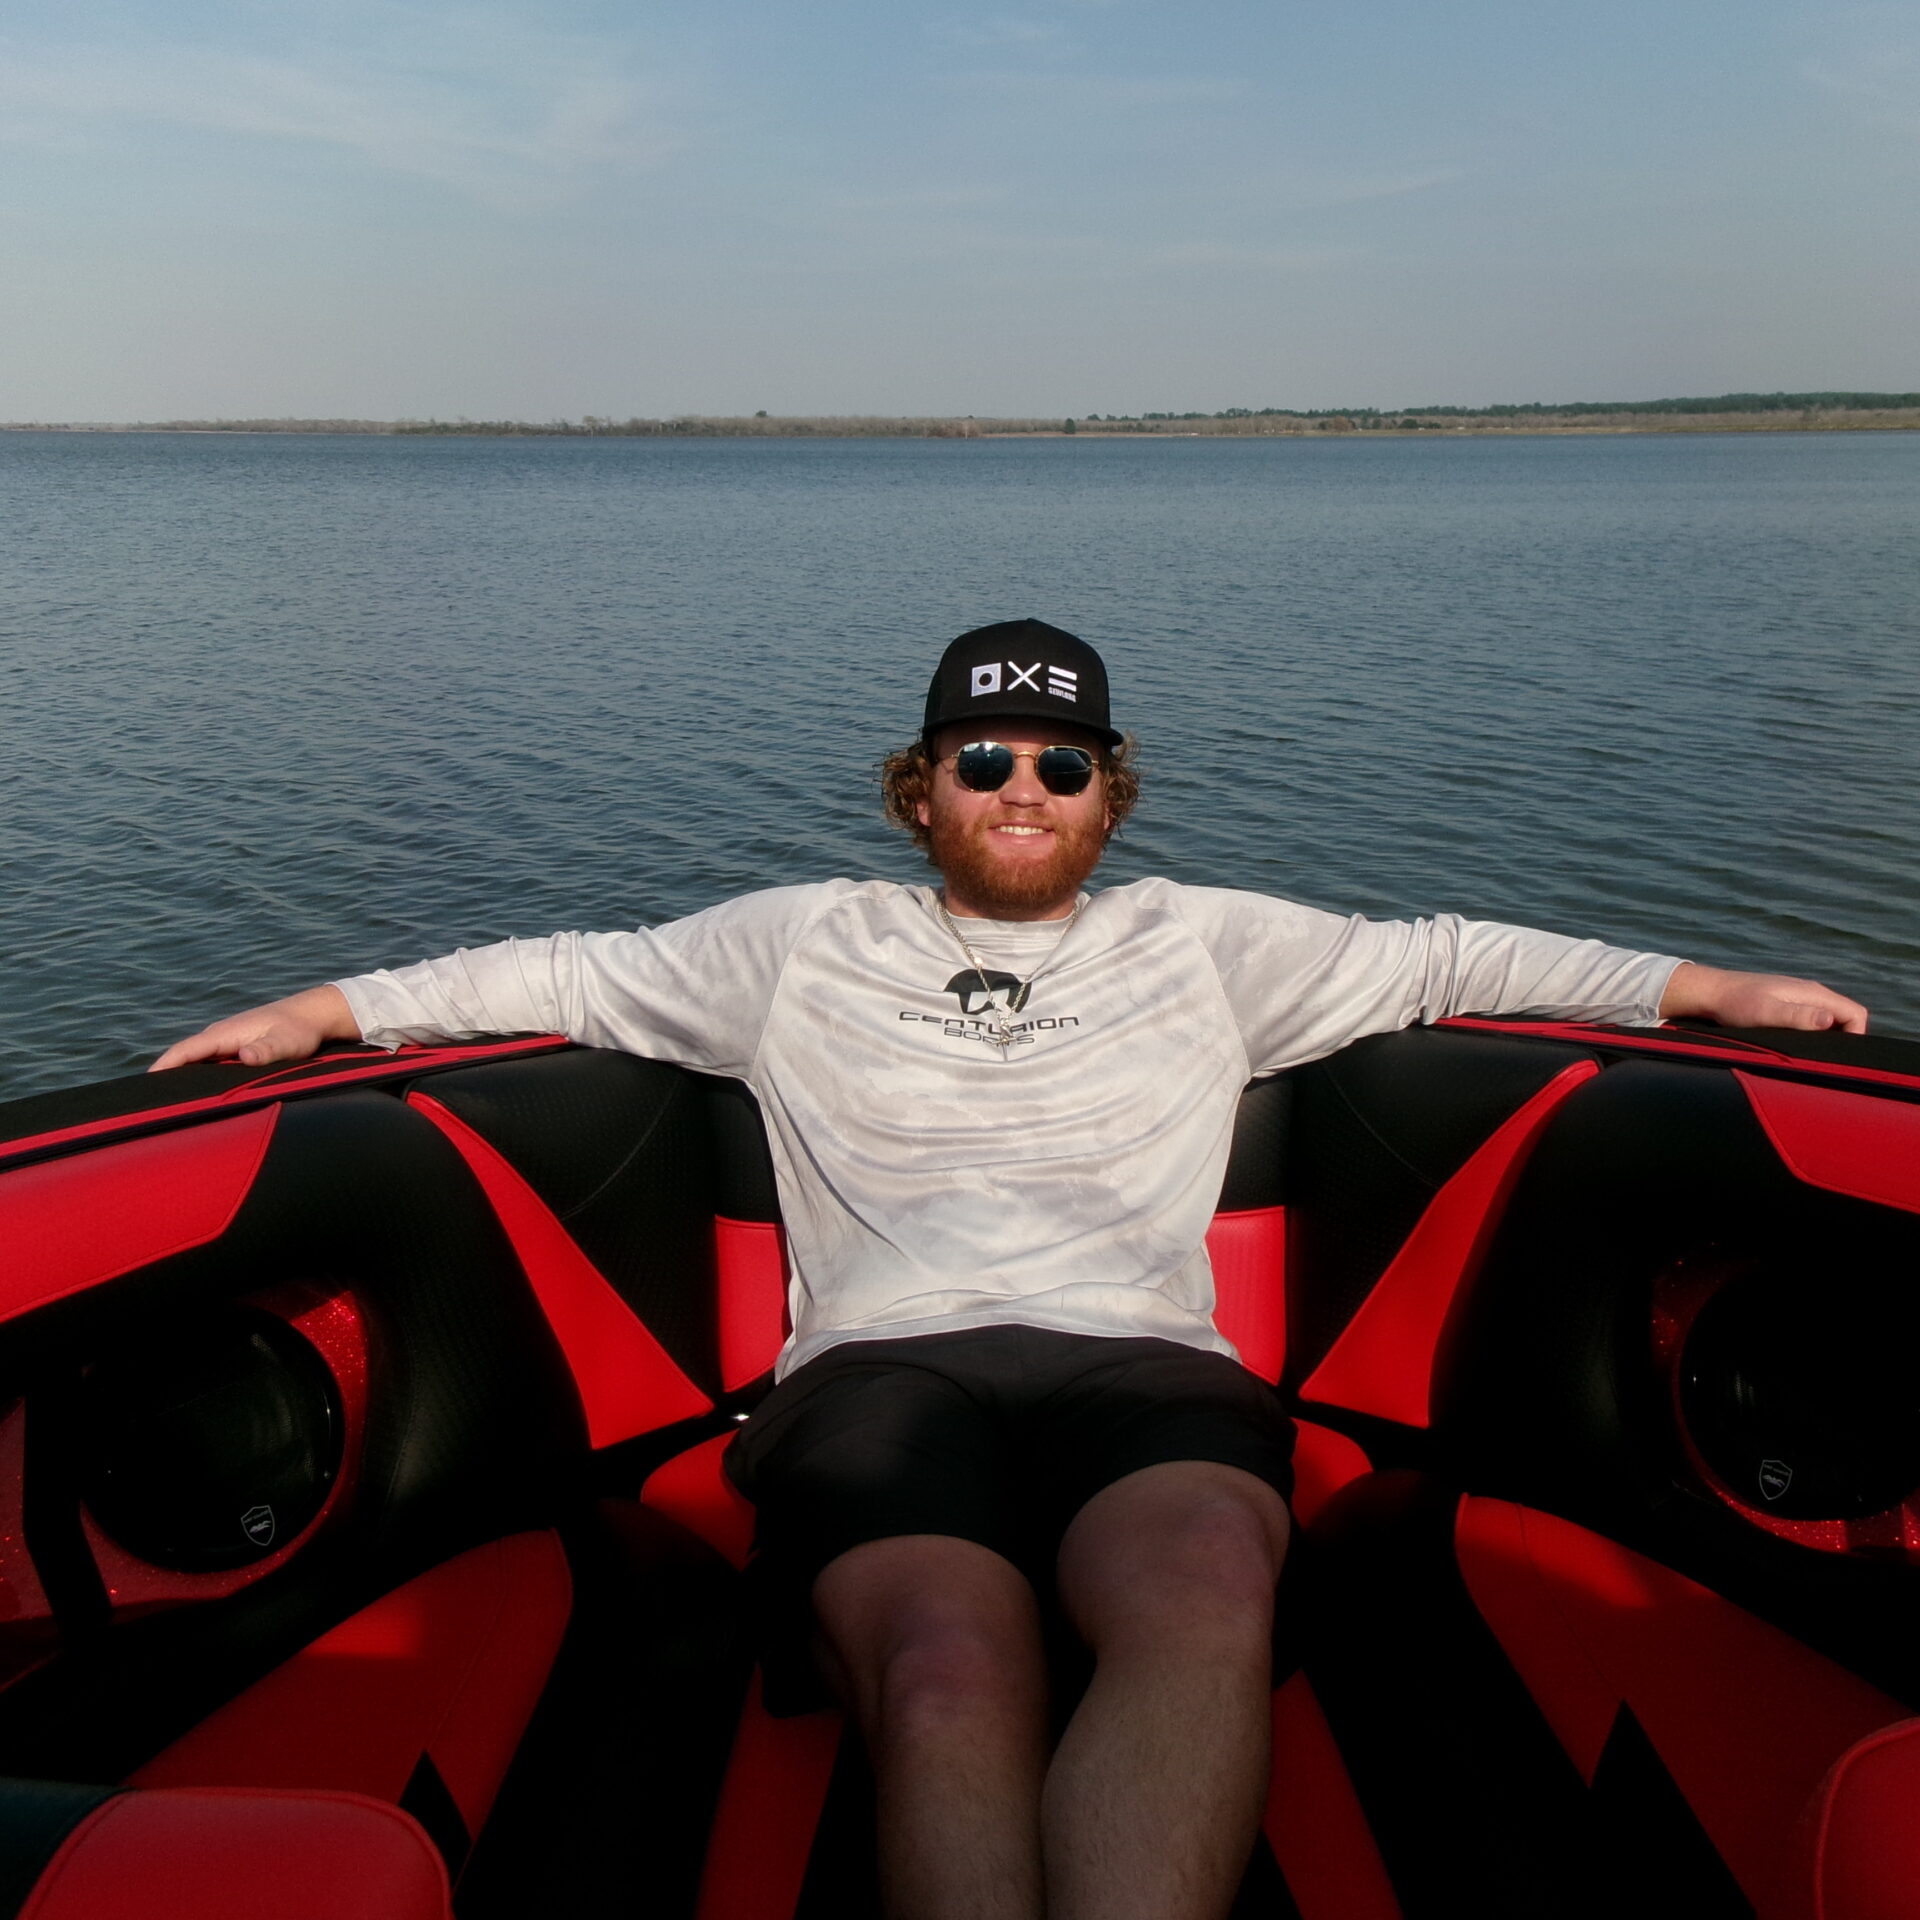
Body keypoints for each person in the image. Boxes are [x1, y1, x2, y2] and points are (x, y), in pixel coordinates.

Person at [153, 618, 1867, 1920]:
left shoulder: (1209, 944)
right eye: (981, 763)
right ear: (921, 791)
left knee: (1202, 1595)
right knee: (949, 1665)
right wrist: (323, 1011)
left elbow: (1452, 954)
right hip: (881, 1381)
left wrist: (1711, 993)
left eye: (1059, 765)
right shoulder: (794, 941)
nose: (1021, 792)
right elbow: (569, 974)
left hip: (1145, 1370)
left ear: (1111, 789)